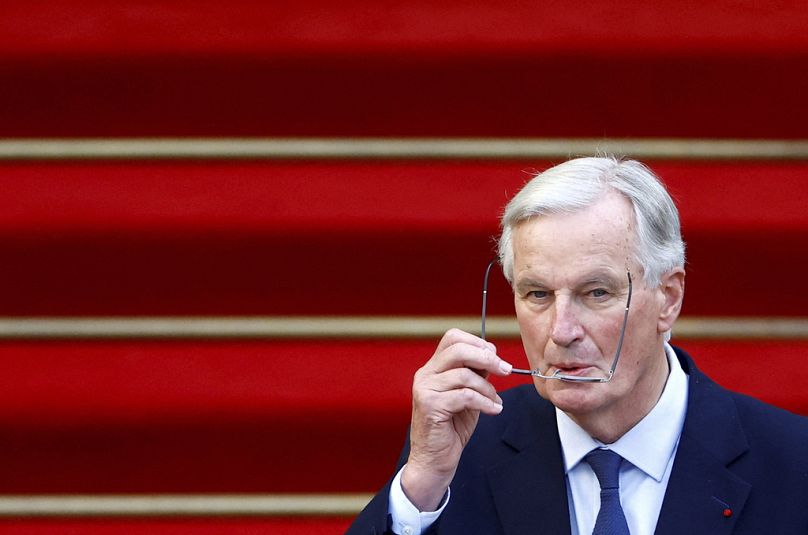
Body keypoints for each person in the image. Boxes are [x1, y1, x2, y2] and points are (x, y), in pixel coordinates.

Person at [346, 156, 808, 535]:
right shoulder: (461, 454)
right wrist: (420, 486)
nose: (561, 330)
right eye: (537, 295)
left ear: (668, 298)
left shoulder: (792, 462)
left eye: (597, 293)